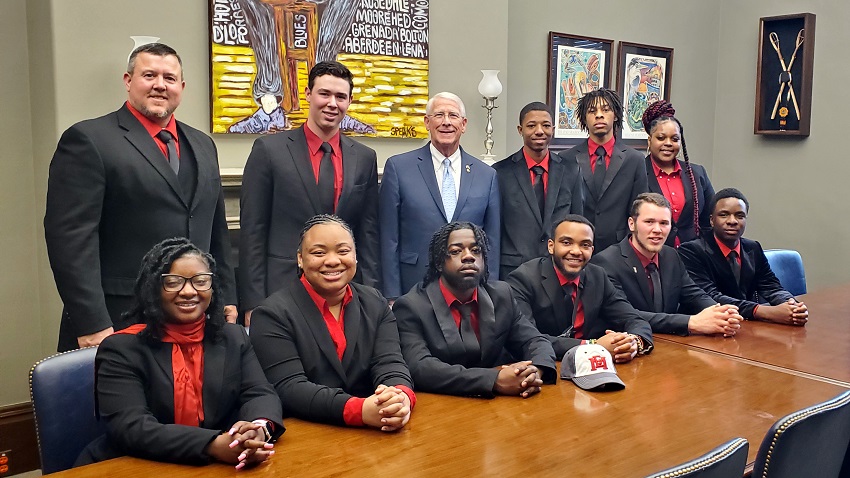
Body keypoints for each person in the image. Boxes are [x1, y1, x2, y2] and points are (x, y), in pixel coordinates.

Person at [45, 43, 236, 352]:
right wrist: (91, 322)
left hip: (193, 316)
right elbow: (70, 241)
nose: (160, 85)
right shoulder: (89, 140)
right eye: (149, 75)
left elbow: (217, 233)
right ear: (128, 80)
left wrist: (226, 297)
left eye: (169, 78)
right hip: (118, 318)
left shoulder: (203, 144)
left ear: (182, 87)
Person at [76, 238, 283, 468]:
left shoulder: (233, 337)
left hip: (217, 466)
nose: (188, 291)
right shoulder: (121, 349)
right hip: (132, 464)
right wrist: (213, 444)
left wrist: (257, 430)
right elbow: (132, 428)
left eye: (200, 281)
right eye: (173, 282)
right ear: (153, 288)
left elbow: (260, 393)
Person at [240, 61, 380, 325]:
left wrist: (373, 295)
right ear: (308, 94)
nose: (332, 103)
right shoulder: (269, 151)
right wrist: (253, 302)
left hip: (344, 293)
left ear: (349, 101)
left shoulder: (364, 158)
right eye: (324, 94)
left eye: (340, 97)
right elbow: (252, 231)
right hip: (282, 288)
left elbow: (369, 233)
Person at [250, 215, 414, 431]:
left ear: (355, 256)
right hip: (308, 434)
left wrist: (399, 398)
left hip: (374, 432)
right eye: (319, 253)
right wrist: (358, 409)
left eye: (343, 251)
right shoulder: (271, 315)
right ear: (300, 258)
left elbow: (390, 362)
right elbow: (289, 388)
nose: (333, 261)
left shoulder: (375, 303)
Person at [393, 222, 556, 398]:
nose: (468, 256)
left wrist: (534, 373)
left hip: (499, 408)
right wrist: (493, 380)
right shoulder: (411, 306)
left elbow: (535, 340)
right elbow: (420, 368)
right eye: (456, 251)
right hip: (442, 406)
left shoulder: (502, 295)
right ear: (439, 263)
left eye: (476, 250)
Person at [380, 92, 501, 300]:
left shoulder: (486, 175)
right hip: (413, 286)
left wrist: (490, 293)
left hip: (469, 290)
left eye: (453, 116)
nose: (446, 122)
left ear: (463, 124)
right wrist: (392, 295)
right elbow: (388, 238)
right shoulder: (398, 168)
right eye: (439, 115)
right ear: (427, 122)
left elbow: (492, 242)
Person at [591, 193, 743, 336]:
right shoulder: (606, 263)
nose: (657, 230)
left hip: (670, 344)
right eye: (649, 222)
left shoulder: (671, 256)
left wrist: (719, 313)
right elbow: (626, 315)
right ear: (632, 224)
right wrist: (691, 322)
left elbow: (693, 294)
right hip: (627, 345)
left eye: (664, 223)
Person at [507, 214, 653, 360]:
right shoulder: (523, 280)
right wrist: (593, 346)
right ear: (551, 246)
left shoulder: (598, 276)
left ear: (592, 249)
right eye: (566, 242)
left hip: (590, 369)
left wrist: (633, 342)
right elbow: (529, 340)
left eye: (585, 245)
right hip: (544, 366)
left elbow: (633, 318)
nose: (576, 251)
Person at [679, 188, 808, 325]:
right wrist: (766, 312)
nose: (732, 221)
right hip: (706, 329)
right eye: (724, 215)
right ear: (712, 220)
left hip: (744, 325)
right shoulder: (691, 251)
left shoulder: (752, 248)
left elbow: (771, 286)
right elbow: (711, 297)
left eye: (740, 216)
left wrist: (792, 306)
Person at [493, 102, 583, 278]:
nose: (539, 131)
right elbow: (495, 229)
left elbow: (578, 222)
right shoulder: (500, 172)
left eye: (546, 125)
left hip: (558, 269)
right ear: (520, 130)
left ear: (553, 129)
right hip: (513, 271)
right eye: (531, 126)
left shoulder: (571, 170)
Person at [558, 88, 648, 252]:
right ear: (584, 118)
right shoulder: (566, 159)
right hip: (577, 249)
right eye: (592, 111)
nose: (599, 115)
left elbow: (638, 210)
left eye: (606, 110)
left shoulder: (634, 159)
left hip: (620, 250)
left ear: (615, 115)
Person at [641, 101, 714, 246]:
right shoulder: (637, 172)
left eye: (675, 139)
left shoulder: (697, 173)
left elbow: (710, 218)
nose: (668, 143)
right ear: (650, 141)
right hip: (652, 255)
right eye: (661, 138)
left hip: (692, 257)